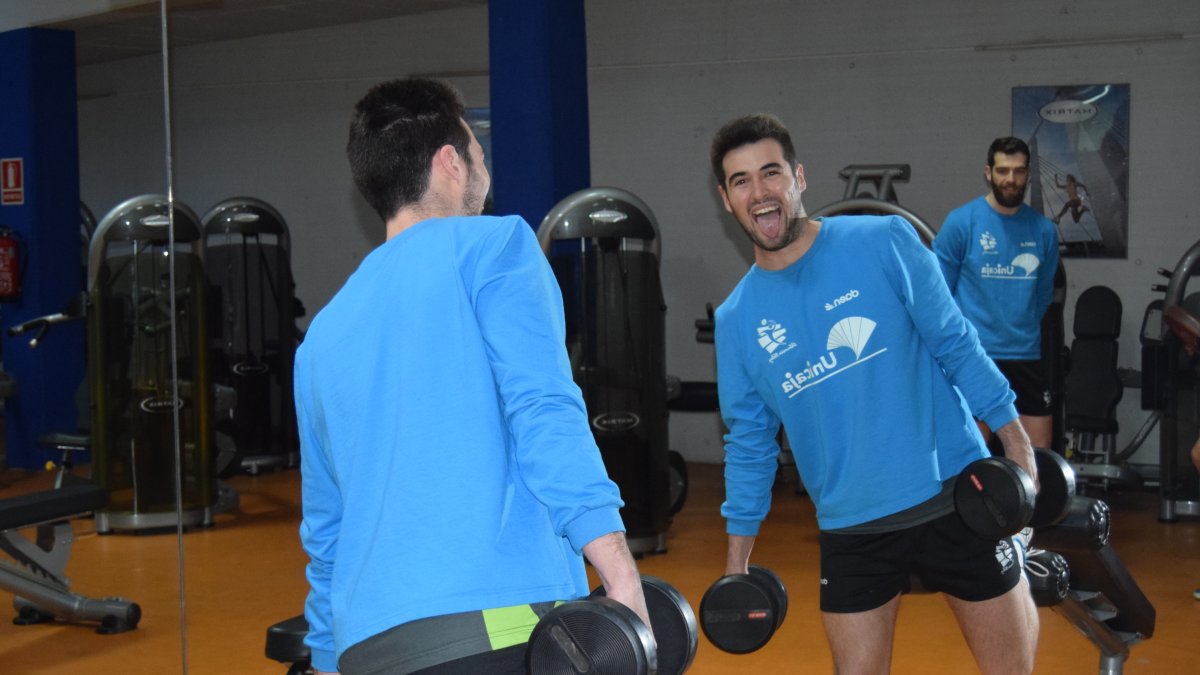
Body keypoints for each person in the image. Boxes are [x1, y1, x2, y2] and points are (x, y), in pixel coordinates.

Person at [295, 77, 650, 675]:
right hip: (499, 627)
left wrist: (329, 659)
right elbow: (544, 410)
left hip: (368, 649)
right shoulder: (496, 245)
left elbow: (326, 530)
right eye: (478, 155)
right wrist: (619, 574)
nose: (484, 171)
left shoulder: (322, 335)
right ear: (450, 163)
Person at [709, 114, 1040, 674]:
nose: (759, 192)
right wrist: (736, 564)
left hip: (956, 497)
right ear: (726, 199)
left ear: (798, 178)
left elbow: (956, 343)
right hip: (852, 526)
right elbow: (749, 442)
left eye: (771, 173)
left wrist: (1017, 444)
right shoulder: (736, 319)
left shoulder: (883, 241)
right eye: (741, 181)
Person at [933, 137, 1060, 450]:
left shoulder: (1043, 230)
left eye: (1018, 171)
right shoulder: (961, 223)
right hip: (975, 354)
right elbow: (938, 293)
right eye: (1003, 170)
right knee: (974, 448)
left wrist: (1017, 325)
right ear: (988, 172)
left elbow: (1043, 296)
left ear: (1028, 173)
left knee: (1037, 448)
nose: (1011, 179)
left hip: (1026, 354)